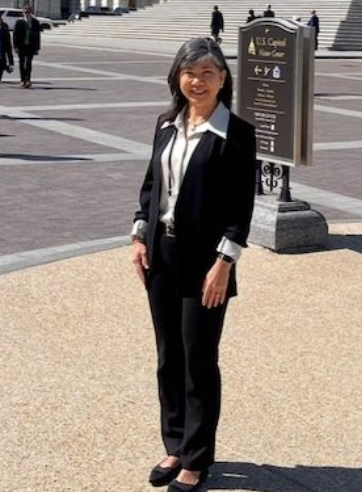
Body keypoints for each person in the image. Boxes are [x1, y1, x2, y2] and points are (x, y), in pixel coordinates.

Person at [131, 38, 256, 492]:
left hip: (207, 261)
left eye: (208, 72)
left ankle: (197, 458)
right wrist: (138, 236)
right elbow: (151, 187)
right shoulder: (166, 124)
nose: (197, 81)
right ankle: (175, 443)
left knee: (199, 358)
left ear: (224, 79)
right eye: (190, 72)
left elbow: (241, 208)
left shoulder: (236, 133)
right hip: (161, 255)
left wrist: (225, 262)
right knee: (168, 356)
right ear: (176, 77)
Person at [12, 5, 41, 89]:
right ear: (22, 13)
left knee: (28, 63)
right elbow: (15, 35)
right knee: (21, 63)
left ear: (31, 12)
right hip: (21, 46)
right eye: (25, 12)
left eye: (28, 12)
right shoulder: (19, 22)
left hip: (31, 46)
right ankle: (22, 80)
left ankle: (28, 79)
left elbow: (37, 36)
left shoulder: (35, 22)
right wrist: (15, 46)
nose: (26, 14)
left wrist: (37, 48)